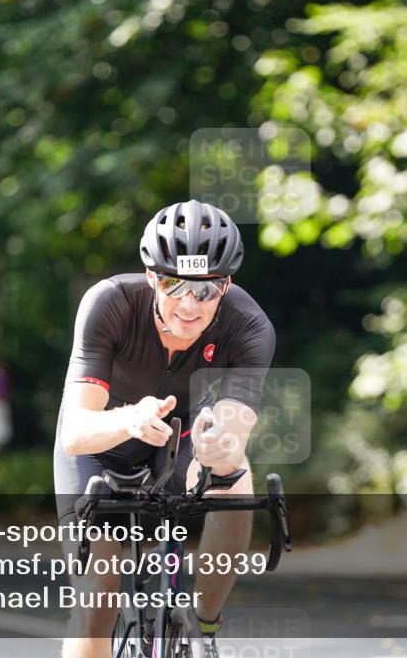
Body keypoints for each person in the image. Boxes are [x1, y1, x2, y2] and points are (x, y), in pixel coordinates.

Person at [54, 199, 275, 658]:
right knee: (99, 594)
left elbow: (234, 429)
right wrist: (130, 419)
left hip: (179, 438)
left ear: (226, 285)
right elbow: (75, 431)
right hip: (101, 443)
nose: (189, 304)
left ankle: (204, 625)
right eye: (174, 284)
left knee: (235, 475)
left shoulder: (249, 325)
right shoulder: (110, 303)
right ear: (152, 277)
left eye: (206, 289)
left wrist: (220, 446)